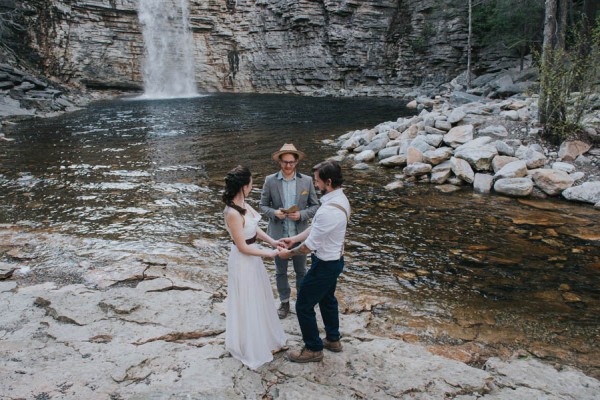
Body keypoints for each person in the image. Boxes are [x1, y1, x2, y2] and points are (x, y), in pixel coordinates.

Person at [278, 160, 350, 363]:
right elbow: (316, 229)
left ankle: (313, 348)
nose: (316, 184)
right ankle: (333, 340)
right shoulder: (338, 199)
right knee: (328, 299)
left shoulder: (329, 210)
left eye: (318, 181)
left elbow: (309, 247)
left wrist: (289, 253)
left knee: (303, 306)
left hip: (325, 265)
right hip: (335, 260)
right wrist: (294, 239)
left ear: (328, 181)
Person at [222, 165, 287, 369]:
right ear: (243, 186)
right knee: (248, 300)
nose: (252, 185)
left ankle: (265, 339)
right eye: (250, 182)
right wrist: (269, 254)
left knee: (259, 297)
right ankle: (250, 345)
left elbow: (254, 229)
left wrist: (272, 242)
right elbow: (242, 246)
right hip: (243, 261)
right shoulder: (232, 212)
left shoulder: (244, 204)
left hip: (254, 257)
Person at [260, 143, 319, 319]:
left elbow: (315, 206)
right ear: (279, 161)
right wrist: (274, 213)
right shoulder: (270, 180)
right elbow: (262, 206)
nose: (288, 166)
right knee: (281, 271)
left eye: (291, 162)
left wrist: (301, 214)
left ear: (296, 162)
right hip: (278, 235)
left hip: (300, 234)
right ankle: (284, 303)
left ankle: (302, 302)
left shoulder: (307, 180)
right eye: (285, 162)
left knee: (301, 271)